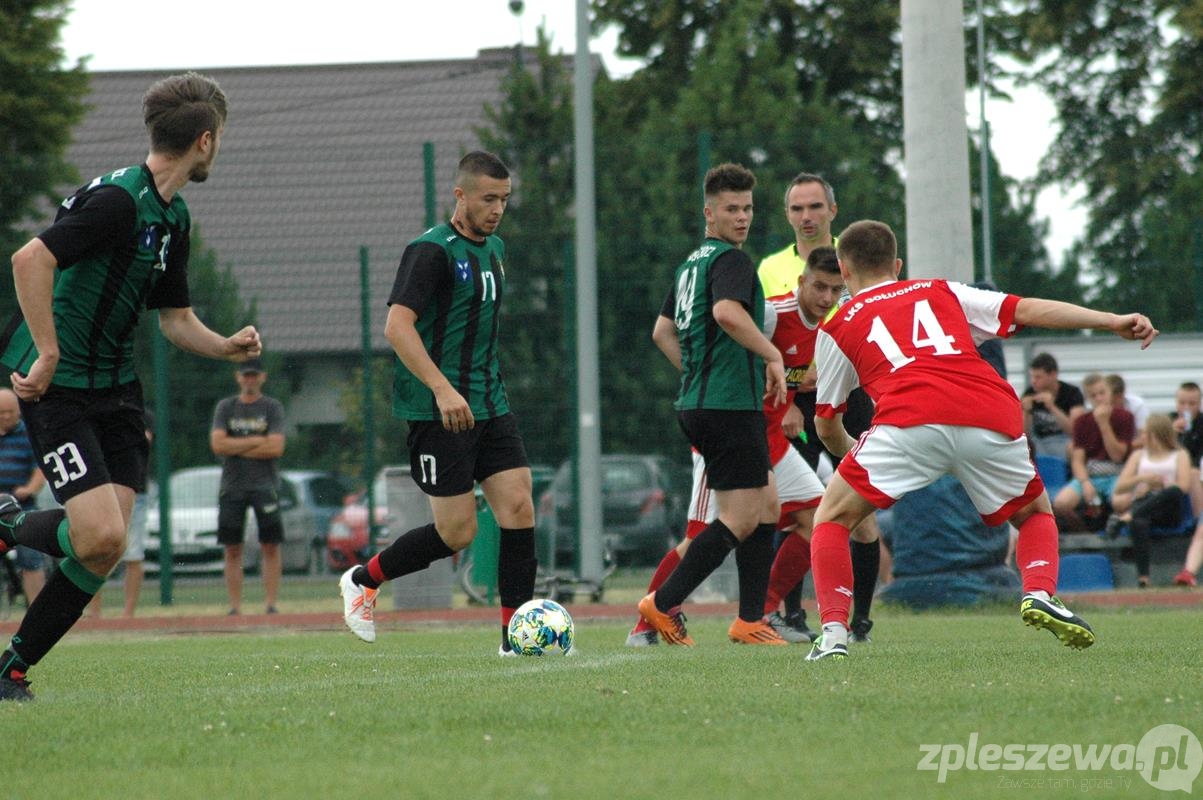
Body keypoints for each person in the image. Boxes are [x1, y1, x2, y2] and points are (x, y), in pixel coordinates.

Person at [0, 72, 261, 702]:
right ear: (205, 140)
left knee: (104, 548)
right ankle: (9, 520)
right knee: (101, 537)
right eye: (220, 138)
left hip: (117, 391)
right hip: (59, 387)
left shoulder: (173, 217)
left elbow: (175, 321)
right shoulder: (120, 200)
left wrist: (224, 345)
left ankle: (10, 671)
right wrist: (48, 350)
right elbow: (30, 259)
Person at [804, 219, 1157, 661]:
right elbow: (1026, 308)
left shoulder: (838, 325)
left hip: (908, 420)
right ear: (897, 265)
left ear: (843, 269)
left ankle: (833, 637)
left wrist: (851, 455)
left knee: (832, 518)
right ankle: (1040, 592)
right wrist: (1111, 321)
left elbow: (825, 424)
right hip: (988, 412)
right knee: (1034, 513)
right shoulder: (942, 290)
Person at [338, 151, 538, 655]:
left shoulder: (495, 249)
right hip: (438, 412)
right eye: (488, 199)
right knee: (457, 532)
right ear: (460, 195)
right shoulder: (430, 251)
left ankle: (517, 640)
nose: (497, 209)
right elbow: (397, 327)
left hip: (490, 403)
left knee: (518, 506)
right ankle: (364, 579)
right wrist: (442, 389)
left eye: (505, 199)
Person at [626, 247, 843, 647]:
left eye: (835, 289)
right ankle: (647, 621)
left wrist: (795, 397)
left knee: (818, 517)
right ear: (801, 282)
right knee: (704, 533)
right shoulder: (772, 315)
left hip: (768, 437)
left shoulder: (830, 327)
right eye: (819, 287)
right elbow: (714, 338)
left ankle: (758, 615)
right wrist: (701, 379)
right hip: (731, 428)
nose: (826, 297)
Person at [635, 162, 787, 647]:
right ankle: (662, 603)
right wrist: (772, 354)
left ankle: (749, 620)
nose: (742, 218)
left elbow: (662, 332)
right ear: (709, 213)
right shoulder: (731, 261)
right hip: (729, 408)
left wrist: (696, 372)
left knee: (768, 505)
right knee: (739, 518)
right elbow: (726, 312)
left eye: (747, 208)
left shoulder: (690, 266)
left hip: (704, 404)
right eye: (731, 209)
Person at [757, 173, 883, 643]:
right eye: (797, 208)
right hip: (795, 404)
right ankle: (789, 614)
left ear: (833, 210)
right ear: (787, 214)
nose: (806, 216)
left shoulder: (859, 259)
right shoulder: (770, 267)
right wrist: (789, 400)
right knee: (798, 510)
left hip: (850, 396)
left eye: (815, 207)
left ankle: (861, 620)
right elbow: (767, 336)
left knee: (862, 509)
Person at [210, 358, 286, 615]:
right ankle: (235, 607)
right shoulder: (226, 407)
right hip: (232, 486)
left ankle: (271, 604)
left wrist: (236, 446)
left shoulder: (272, 407)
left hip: (265, 484)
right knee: (232, 546)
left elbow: (276, 447)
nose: (250, 380)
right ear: (238, 377)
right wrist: (257, 441)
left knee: (270, 544)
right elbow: (218, 445)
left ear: (262, 377)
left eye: (254, 375)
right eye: (246, 375)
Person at [1103, 415, 1191, 587]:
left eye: (1145, 433)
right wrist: (1142, 480)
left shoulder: (1180, 455)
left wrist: (1162, 485)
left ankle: (1127, 517)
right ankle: (1143, 577)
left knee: (1173, 491)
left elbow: (1183, 487)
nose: (1141, 437)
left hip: (1168, 507)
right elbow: (1120, 487)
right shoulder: (1138, 455)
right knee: (1139, 520)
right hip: (1145, 503)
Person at [1051, 373, 1135, 531]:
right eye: (1093, 395)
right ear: (1088, 398)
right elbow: (1077, 460)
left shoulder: (1125, 417)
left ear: (1109, 392)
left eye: (1102, 393)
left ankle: (1116, 527)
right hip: (1091, 474)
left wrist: (1104, 424)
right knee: (1061, 503)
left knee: (1122, 502)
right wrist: (1085, 483)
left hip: (1117, 473)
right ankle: (1083, 531)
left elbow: (1118, 456)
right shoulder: (1082, 422)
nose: (1099, 398)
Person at [0, 389, 46, 604]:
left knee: (31, 558)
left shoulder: (30, 433)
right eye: (1, 412)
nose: (6, 416)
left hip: (22, 506)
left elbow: (41, 467)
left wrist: (30, 489)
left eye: (10, 411)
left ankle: (36, 608)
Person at [1020, 352, 1086, 458]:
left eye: (1038, 377)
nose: (1033, 381)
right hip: (1038, 443)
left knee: (1075, 449)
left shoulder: (1072, 393)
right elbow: (1023, 435)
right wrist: (1026, 412)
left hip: (1064, 441)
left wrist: (1052, 407)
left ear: (1053, 375)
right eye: (1032, 376)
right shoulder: (1029, 394)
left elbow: (1075, 431)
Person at [1170, 381, 1203, 517]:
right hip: (1169, 468)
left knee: (1194, 474)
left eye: (1192, 404)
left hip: (1195, 470)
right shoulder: (1168, 421)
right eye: (1182, 403)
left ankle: (1199, 519)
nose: (1186, 408)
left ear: (1199, 404)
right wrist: (1171, 433)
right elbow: (1157, 450)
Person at [1106, 373, 1149, 448]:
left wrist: (1122, 449)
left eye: (1112, 401)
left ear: (1121, 395)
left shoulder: (1137, 405)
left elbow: (1143, 438)